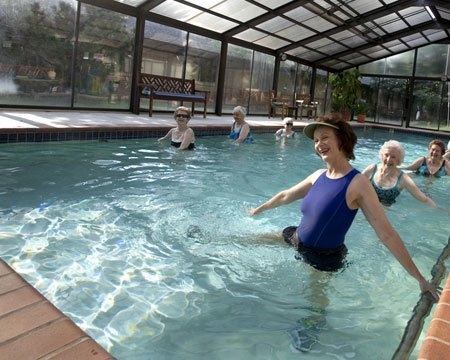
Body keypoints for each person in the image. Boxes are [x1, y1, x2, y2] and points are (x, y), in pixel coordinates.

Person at [248, 116, 439, 300]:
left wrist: (420, 279)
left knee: (313, 312)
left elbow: (387, 234)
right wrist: (258, 210)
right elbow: (286, 195)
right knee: (244, 241)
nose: (319, 144)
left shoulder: (358, 183)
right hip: (297, 238)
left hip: (324, 260)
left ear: (342, 139)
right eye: (315, 140)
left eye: (325, 137)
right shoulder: (318, 175)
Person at [362, 140, 437, 207]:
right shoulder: (372, 169)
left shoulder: (403, 178)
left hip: (386, 213)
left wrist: (440, 210)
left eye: (393, 157)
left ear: (399, 160)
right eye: (386, 155)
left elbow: (424, 199)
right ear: (382, 155)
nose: (388, 160)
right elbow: (355, 182)